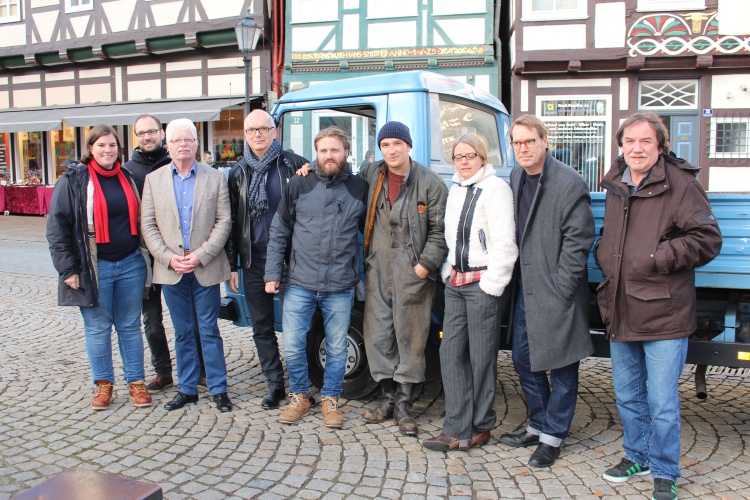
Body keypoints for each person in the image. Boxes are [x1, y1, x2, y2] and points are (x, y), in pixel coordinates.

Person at [596, 113, 722, 500]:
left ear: (660, 146)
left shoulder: (681, 184)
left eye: (645, 142)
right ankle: (637, 455)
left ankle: (665, 470)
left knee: (662, 401)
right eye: (629, 141)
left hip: (664, 311)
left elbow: (707, 237)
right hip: (620, 305)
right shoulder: (616, 183)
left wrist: (658, 256)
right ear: (621, 145)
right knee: (626, 394)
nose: (636, 148)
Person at [501, 114, 595, 468]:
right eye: (517, 142)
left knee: (562, 364)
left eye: (529, 141)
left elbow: (580, 238)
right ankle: (538, 423)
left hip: (557, 289)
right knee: (524, 359)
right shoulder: (515, 176)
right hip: (526, 288)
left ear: (544, 141)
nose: (523, 148)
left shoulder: (568, 181)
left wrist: (561, 286)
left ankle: (553, 436)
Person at [265, 126, 367, 428]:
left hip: (340, 285)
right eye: (323, 150)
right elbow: (279, 231)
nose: (329, 155)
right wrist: (273, 273)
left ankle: (330, 399)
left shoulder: (359, 188)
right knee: (294, 345)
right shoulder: (299, 184)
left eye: (335, 150)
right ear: (316, 153)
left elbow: (370, 235)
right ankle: (300, 396)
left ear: (346, 152)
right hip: (299, 282)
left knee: (337, 347)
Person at [422, 134, 517, 452]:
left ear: (483, 157)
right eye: (458, 156)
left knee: (480, 358)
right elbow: (451, 236)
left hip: (482, 285)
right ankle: (455, 426)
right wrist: (448, 270)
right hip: (456, 283)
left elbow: (505, 244)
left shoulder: (496, 190)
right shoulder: (455, 190)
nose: (463, 161)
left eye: (470, 155)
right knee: (450, 354)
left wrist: (493, 283)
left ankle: (479, 426)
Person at [47, 124, 151, 411]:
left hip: (131, 263)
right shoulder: (74, 180)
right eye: (101, 145)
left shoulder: (127, 177)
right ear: (91, 148)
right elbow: (57, 227)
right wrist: (68, 270)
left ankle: (136, 382)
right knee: (97, 327)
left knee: (130, 325)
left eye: (112, 145)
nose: (107, 150)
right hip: (94, 267)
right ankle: (104, 385)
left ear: (119, 149)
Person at [360, 121, 449, 436]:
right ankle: (387, 398)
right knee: (379, 333)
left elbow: (440, 231)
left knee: (410, 337)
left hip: (413, 272)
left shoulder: (430, 183)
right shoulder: (372, 175)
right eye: (385, 145)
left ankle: (405, 405)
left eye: (397, 144)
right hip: (378, 267)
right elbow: (339, 182)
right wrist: (306, 169)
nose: (391, 150)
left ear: (408, 146)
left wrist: (424, 266)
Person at [141, 118, 233, 412]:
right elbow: (148, 225)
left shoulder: (215, 178)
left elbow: (224, 222)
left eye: (188, 139)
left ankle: (218, 389)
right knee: (182, 331)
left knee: (208, 329)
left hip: (204, 267)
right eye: (176, 140)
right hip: (172, 271)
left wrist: (201, 255)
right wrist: (169, 258)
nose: (183, 144)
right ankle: (188, 389)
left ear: (196, 144)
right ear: (167, 145)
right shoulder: (153, 180)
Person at [225, 109, 310, 410]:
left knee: (297, 326)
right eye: (251, 130)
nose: (258, 134)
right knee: (261, 327)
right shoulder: (237, 173)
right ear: (245, 135)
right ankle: (275, 385)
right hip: (252, 261)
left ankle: (303, 385)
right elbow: (232, 222)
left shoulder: (294, 164)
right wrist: (232, 264)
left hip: (290, 261)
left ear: (275, 131)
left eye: (264, 128)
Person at [125, 113, 207, 394]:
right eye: (141, 133)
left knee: (192, 318)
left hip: (180, 257)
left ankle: (200, 370)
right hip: (145, 257)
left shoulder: (175, 159)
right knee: (152, 319)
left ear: (162, 135)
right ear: (135, 137)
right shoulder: (128, 170)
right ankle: (163, 371)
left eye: (151, 131)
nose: (147, 137)